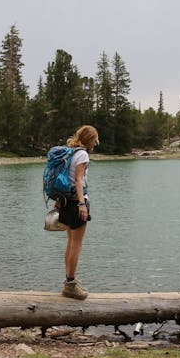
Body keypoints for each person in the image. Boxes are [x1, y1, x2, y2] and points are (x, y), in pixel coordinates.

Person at [56, 125, 99, 299]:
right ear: (90, 139)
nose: (96, 143)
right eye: (95, 139)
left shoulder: (70, 152)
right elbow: (78, 180)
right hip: (76, 204)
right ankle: (71, 285)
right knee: (76, 245)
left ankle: (69, 282)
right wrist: (82, 204)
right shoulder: (82, 154)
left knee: (70, 244)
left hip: (65, 203)